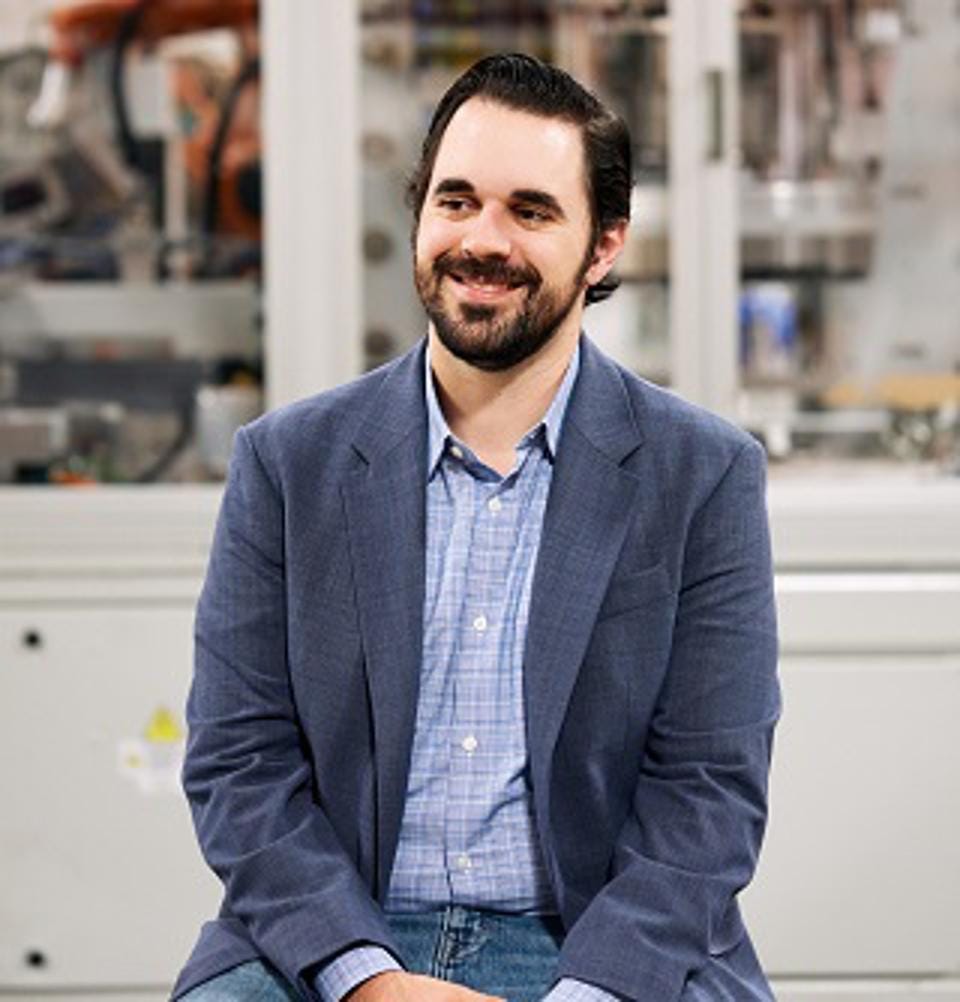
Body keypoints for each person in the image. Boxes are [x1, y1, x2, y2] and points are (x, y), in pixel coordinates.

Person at [173, 53, 779, 1002]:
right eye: (455, 201)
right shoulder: (288, 465)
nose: (481, 240)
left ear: (603, 247)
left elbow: (708, 791)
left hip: (599, 943)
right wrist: (368, 981)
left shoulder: (703, 475)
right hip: (339, 933)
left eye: (531, 212)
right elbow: (239, 765)